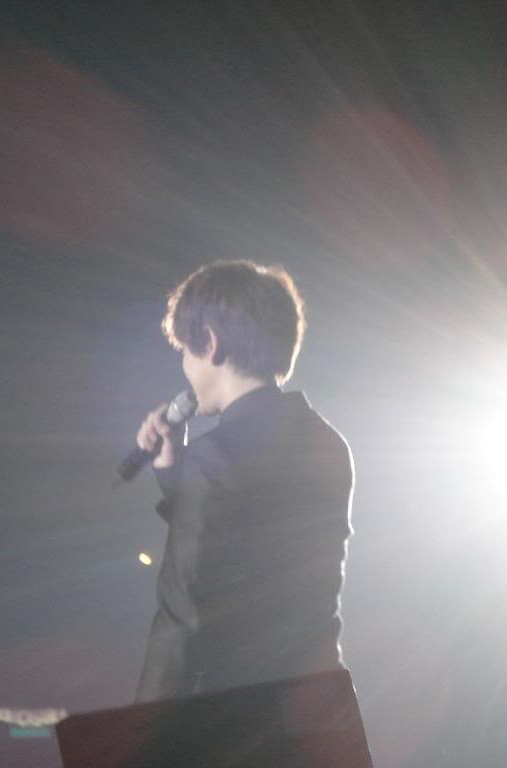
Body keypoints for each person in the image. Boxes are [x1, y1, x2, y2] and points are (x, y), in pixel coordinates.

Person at [134, 260, 354, 703]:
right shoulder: (328, 442)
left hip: (230, 719)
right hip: (315, 709)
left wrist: (138, 732)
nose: (185, 366)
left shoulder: (214, 460)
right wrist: (176, 471)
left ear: (211, 343)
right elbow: (246, 534)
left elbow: (181, 624)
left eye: (186, 351)